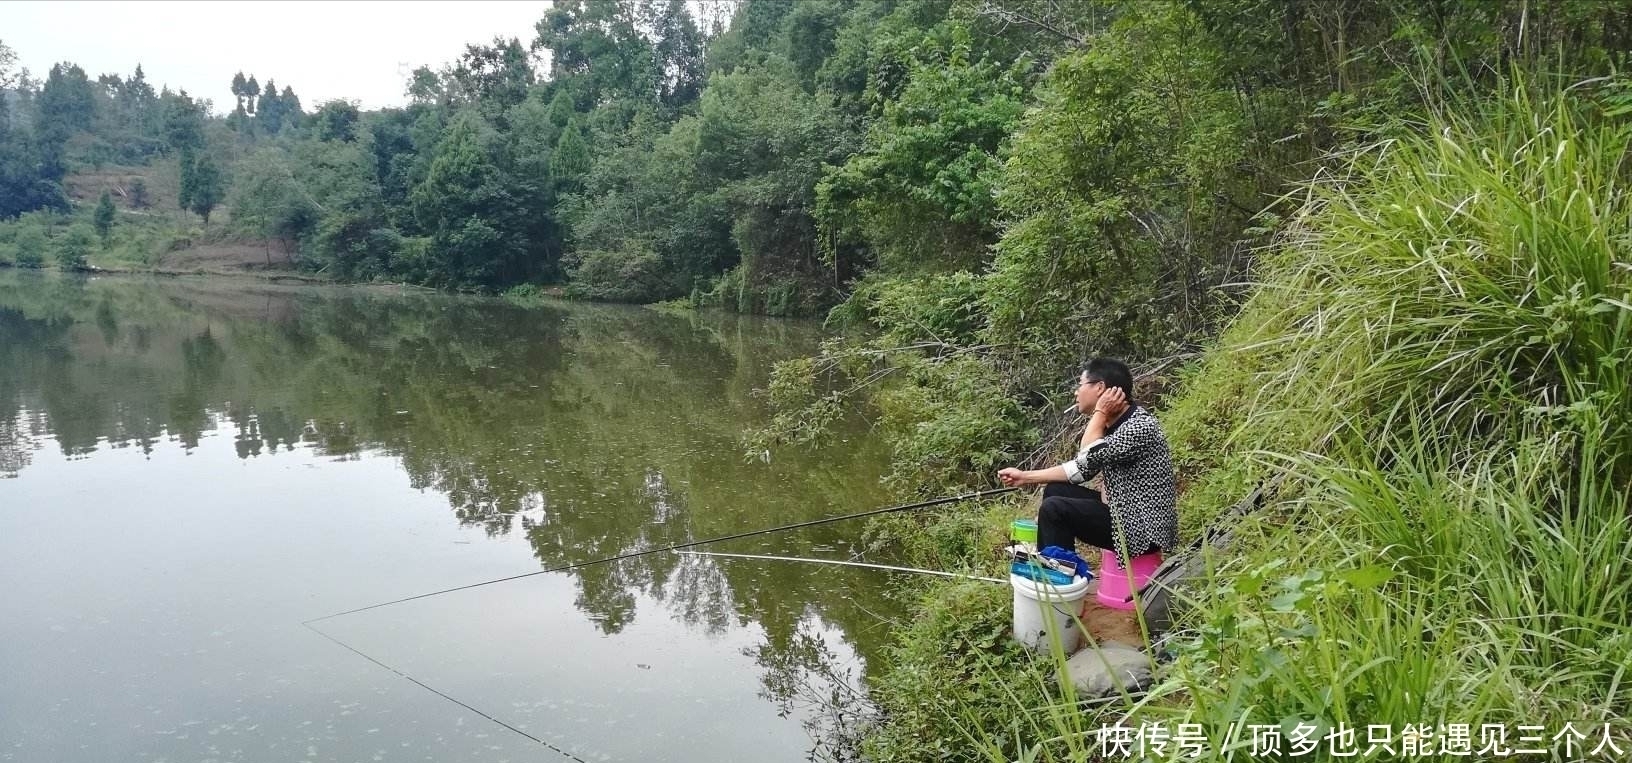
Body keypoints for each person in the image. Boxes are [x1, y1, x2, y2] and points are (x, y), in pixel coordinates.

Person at [997, 358, 1177, 565]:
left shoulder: (1138, 427)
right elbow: (1081, 470)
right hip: (1123, 512)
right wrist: (1025, 477)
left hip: (1142, 530)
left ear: (1100, 388)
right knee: (1056, 490)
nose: (1076, 392)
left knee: (1054, 509)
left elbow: (1087, 457)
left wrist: (1100, 412)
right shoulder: (1118, 422)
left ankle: (1059, 573)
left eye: (1080, 385)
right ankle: (1055, 560)